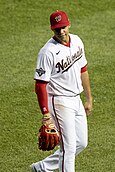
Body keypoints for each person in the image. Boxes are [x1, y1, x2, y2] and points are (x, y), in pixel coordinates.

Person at [31, 10, 93, 172]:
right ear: (52, 29)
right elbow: (40, 85)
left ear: (69, 24)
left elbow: (83, 69)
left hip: (76, 99)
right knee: (69, 148)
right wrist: (46, 115)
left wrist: (88, 98)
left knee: (81, 142)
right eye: (57, 28)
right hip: (59, 101)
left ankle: (43, 167)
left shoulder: (77, 41)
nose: (61, 31)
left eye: (63, 27)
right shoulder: (47, 52)